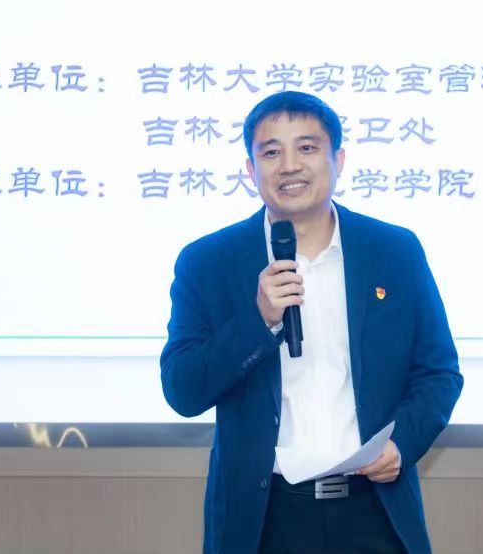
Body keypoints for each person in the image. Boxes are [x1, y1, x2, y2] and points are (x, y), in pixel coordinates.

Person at [161, 91, 463, 554]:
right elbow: (183, 390)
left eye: (306, 148)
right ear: (250, 170)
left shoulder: (394, 251)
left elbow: (438, 373)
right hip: (266, 519)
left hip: (374, 510)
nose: (289, 166)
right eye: (271, 152)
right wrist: (258, 320)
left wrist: (402, 443)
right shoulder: (207, 262)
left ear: (337, 159)